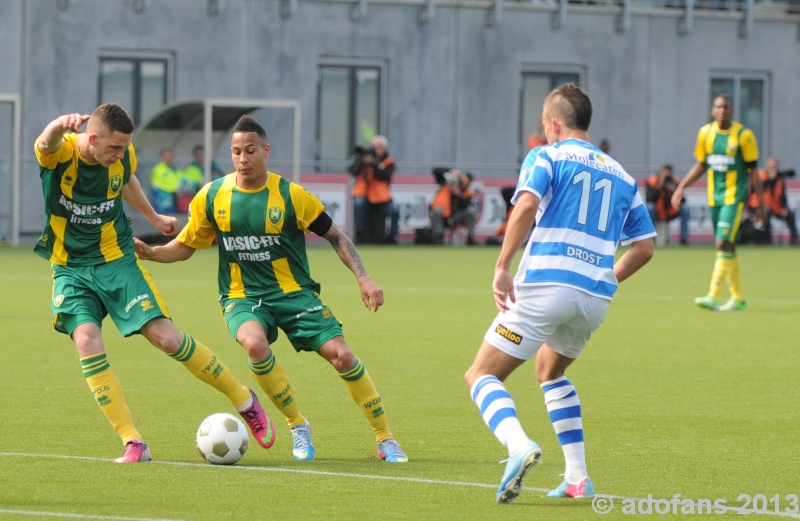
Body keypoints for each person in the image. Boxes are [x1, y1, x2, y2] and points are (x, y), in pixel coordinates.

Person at [134, 115, 408, 463]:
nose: (242, 159)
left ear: (265, 150)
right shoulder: (213, 195)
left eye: (250, 151)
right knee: (254, 343)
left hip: (295, 294)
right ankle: (297, 425)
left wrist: (363, 277)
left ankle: (385, 438)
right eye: (236, 152)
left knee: (342, 355)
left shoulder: (292, 195)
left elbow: (336, 236)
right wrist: (153, 253)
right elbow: (186, 245)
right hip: (242, 297)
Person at [33, 104, 275, 464]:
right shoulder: (64, 152)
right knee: (85, 338)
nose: (121, 154)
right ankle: (133, 442)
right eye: (114, 148)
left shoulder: (121, 155)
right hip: (70, 267)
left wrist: (152, 216)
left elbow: (126, 177)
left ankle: (243, 399)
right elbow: (44, 143)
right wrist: (56, 123)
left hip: (117, 260)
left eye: (124, 148)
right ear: (93, 138)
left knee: (167, 338)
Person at [464, 84, 655, 504]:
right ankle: (577, 478)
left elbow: (527, 206)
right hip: (593, 299)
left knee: (481, 375)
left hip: (547, 285)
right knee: (550, 371)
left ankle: (518, 446)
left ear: (554, 123)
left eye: (544, 125)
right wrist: (604, 279)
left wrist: (501, 267)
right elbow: (644, 247)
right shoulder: (623, 176)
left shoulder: (546, 155)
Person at [671, 93, 764, 311]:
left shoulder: (744, 136)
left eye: (726, 107)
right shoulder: (706, 133)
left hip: (734, 197)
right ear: (713, 110)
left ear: (732, 110)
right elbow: (701, 165)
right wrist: (681, 186)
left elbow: (753, 172)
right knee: (729, 246)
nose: (722, 111)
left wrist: (760, 205)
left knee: (721, 243)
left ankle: (713, 295)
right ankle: (738, 299)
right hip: (714, 198)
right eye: (718, 107)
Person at [347, 135, 400, 244]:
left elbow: (383, 175)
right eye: (375, 147)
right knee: (359, 204)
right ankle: (360, 234)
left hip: (380, 196)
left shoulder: (388, 161)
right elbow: (353, 172)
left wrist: (374, 163)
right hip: (363, 193)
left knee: (394, 210)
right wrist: (362, 160)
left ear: (385, 148)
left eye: (380, 147)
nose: (377, 149)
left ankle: (392, 236)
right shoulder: (362, 158)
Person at [746, 156, 798, 245]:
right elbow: (756, 189)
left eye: (774, 167)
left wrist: (784, 208)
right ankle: (767, 240)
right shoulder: (760, 175)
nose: (772, 169)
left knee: (790, 213)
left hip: (775, 208)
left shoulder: (779, 179)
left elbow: (783, 196)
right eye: (770, 166)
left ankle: (794, 239)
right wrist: (769, 179)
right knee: (766, 211)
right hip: (758, 207)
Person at [429, 167, 479, 245]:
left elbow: (466, 205)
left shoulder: (467, 193)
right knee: (437, 210)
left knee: (471, 211)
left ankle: (470, 238)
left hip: (455, 217)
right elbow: (436, 171)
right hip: (443, 215)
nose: (464, 182)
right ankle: (438, 238)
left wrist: (458, 194)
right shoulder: (447, 184)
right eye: (463, 179)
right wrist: (450, 171)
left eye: (467, 181)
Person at [645, 163, 690, 245]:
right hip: (657, 211)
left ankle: (684, 238)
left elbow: (683, 200)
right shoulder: (653, 181)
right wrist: (659, 186)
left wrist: (675, 190)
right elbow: (649, 199)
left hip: (671, 211)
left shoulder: (674, 182)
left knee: (685, 208)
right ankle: (651, 237)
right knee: (650, 207)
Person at [177, 145, 225, 213]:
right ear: (195, 156)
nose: (202, 157)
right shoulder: (192, 169)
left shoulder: (213, 166)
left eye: (203, 154)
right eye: (199, 155)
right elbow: (197, 185)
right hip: (198, 196)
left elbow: (222, 177)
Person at [150, 147, 180, 213]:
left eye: (170, 156)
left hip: (172, 205)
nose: (169, 158)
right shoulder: (158, 170)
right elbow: (174, 185)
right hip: (161, 205)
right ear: (162, 157)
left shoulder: (174, 170)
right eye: (166, 156)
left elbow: (182, 178)